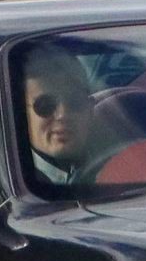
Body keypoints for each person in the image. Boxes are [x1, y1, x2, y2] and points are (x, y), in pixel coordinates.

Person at [19, 47, 101, 188]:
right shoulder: (14, 180)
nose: (62, 115)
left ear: (90, 109)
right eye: (45, 105)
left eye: (75, 102)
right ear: (21, 115)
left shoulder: (123, 161)